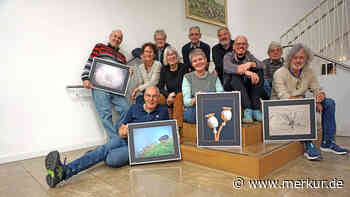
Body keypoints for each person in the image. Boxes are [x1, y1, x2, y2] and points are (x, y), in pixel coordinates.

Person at [45, 86, 169, 188]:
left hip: (140, 149)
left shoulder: (163, 111)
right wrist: (123, 131)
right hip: (124, 139)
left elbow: (166, 134)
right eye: (148, 96)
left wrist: (173, 137)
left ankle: (94, 155)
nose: (151, 99)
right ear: (144, 97)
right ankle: (64, 172)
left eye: (154, 96)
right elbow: (121, 131)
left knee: (111, 159)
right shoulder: (134, 108)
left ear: (158, 98)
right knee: (104, 150)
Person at [272, 43, 349, 160]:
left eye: (301, 57)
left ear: (306, 59)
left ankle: (328, 142)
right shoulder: (280, 73)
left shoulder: (308, 72)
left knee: (329, 103)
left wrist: (320, 96)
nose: (298, 60)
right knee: (304, 105)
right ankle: (308, 145)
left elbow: (317, 88)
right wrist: (310, 102)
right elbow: (284, 97)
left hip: (301, 103)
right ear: (290, 58)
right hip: (281, 107)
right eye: (295, 57)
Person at [81, 29, 130, 138]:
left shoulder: (123, 57)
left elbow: (123, 76)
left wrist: (128, 72)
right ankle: (115, 140)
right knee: (105, 114)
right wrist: (85, 78)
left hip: (116, 89)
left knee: (126, 109)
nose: (116, 39)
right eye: (115, 36)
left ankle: (116, 136)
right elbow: (90, 61)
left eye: (119, 38)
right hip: (99, 86)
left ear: (121, 41)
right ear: (110, 36)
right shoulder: (100, 47)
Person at [223, 35, 265, 123]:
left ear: (247, 46)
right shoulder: (228, 56)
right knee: (235, 75)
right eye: (238, 44)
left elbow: (262, 65)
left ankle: (256, 109)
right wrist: (247, 72)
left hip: (245, 85)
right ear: (233, 46)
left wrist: (250, 64)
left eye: (243, 44)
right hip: (231, 86)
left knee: (259, 72)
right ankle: (247, 109)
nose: (241, 46)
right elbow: (228, 67)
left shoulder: (249, 55)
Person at [182, 48, 224, 123]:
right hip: (195, 109)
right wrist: (196, 98)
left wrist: (207, 96)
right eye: (195, 61)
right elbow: (186, 101)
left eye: (200, 59)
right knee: (190, 114)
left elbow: (221, 94)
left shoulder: (214, 77)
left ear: (205, 60)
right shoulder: (187, 77)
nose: (198, 62)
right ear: (192, 64)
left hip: (212, 107)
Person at [157, 46, 190, 129]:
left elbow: (185, 85)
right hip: (169, 95)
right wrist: (168, 95)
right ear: (166, 57)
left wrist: (173, 95)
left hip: (180, 93)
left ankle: (176, 127)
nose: (171, 57)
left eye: (173, 54)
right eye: (168, 55)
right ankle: (161, 124)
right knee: (159, 97)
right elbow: (160, 86)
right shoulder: (164, 69)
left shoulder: (183, 67)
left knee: (179, 96)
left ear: (177, 55)